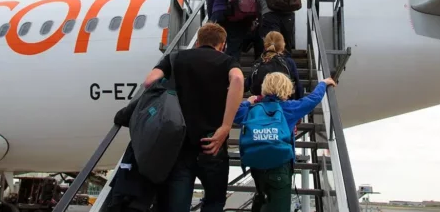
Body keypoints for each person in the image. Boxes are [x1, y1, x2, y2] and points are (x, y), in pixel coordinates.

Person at [143, 23, 245, 212]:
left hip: (180, 145)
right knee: (214, 202)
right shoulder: (227, 62)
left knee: (177, 205)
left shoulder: (175, 58)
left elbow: (149, 81)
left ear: (197, 42)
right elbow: (238, 79)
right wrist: (226, 126)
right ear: (222, 44)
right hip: (212, 144)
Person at [234, 73, 337, 212]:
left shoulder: (253, 110)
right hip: (280, 167)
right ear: (286, 89)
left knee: (263, 203)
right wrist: (323, 84)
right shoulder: (289, 108)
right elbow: (312, 99)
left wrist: (248, 102)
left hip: (256, 167)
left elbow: (235, 113)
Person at [245, 31, 304, 100]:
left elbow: (247, 85)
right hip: (284, 103)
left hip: (261, 103)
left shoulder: (258, 63)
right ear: (283, 45)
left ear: (265, 45)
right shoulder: (289, 62)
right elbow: (297, 85)